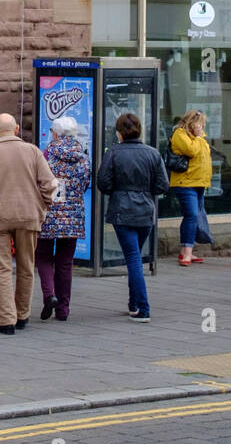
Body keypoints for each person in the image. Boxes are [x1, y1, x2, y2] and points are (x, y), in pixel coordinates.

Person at [0, 113, 57, 335]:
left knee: (1, 269)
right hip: (28, 216)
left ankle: (6, 320)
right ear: (17, 129)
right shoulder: (33, 151)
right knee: (26, 267)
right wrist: (43, 207)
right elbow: (50, 184)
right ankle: (23, 315)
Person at [96, 112, 168, 323]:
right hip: (145, 211)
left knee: (133, 258)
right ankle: (133, 303)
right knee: (134, 256)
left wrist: (118, 191)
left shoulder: (114, 153)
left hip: (122, 210)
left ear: (119, 133)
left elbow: (103, 182)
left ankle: (143, 307)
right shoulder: (152, 153)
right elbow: (162, 185)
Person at [36, 116, 90, 323]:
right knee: (65, 263)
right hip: (73, 215)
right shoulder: (82, 155)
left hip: (48, 213)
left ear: (55, 133)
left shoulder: (47, 155)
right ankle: (63, 310)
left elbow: (39, 181)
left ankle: (49, 295)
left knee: (42, 256)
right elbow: (85, 183)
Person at [169, 109, 213, 265]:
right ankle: (187, 252)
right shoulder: (180, 134)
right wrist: (199, 137)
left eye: (203, 124)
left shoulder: (199, 138)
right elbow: (192, 151)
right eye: (200, 123)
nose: (202, 127)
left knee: (192, 217)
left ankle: (185, 251)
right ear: (191, 122)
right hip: (185, 183)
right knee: (192, 215)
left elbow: (205, 160)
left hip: (199, 183)